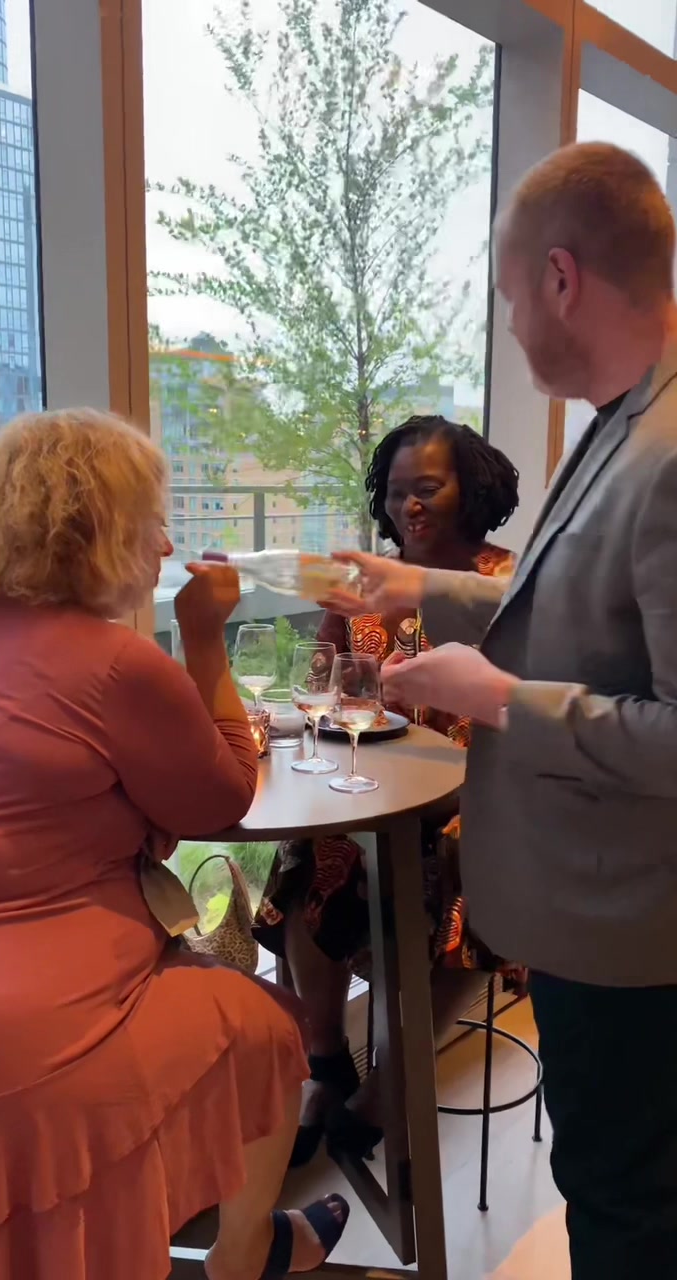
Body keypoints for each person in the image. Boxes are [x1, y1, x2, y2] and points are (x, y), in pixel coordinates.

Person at [326, 142, 677, 1280]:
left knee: (628, 1210)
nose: (514, 326)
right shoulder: (621, 419)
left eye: (512, 295)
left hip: (632, 932)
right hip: (593, 918)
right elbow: (579, 601)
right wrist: (421, 589)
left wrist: (502, 700)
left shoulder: (668, 450)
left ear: (561, 278)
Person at [0, 409, 350, 1280]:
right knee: (266, 1026)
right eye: (151, 521)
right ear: (96, 533)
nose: (166, 543)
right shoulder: (112, 664)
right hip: (35, 1032)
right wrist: (204, 637)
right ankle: (245, 1252)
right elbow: (225, 795)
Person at [254, 415, 521, 1167]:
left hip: (481, 799)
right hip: (375, 789)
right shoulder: (368, 584)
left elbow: (528, 699)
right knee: (315, 846)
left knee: (466, 869)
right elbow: (320, 684)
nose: (410, 506)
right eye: (398, 491)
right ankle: (326, 1058)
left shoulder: (508, 582)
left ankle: (396, 1081)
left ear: (471, 490)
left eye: (428, 488)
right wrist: (328, 656)